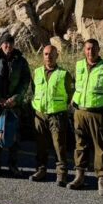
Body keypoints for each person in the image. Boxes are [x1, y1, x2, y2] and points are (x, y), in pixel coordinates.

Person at [69, 39, 103, 195]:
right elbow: (77, 86)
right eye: (87, 49)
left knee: (101, 147)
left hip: (98, 113)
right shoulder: (79, 65)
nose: (90, 52)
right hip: (80, 112)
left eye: (93, 49)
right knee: (80, 144)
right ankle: (80, 176)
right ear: (84, 50)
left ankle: (102, 178)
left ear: (99, 49)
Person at [0, 33, 31, 176]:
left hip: (14, 105)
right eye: (5, 43)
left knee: (14, 135)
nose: (8, 46)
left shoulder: (21, 61)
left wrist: (15, 98)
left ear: (14, 44)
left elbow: (25, 81)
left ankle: (13, 164)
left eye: (10, 43)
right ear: (1, 44)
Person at [30, 45, 73, 186]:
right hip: (40, 113)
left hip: (57, 114)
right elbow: (34, 90)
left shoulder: (63, 74)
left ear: (57, 56)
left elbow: (69, 94)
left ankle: (61, 174)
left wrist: (61, 107)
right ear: (43, 55)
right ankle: (41, 170)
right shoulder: (36, 72)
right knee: (40, 144)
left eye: (51, 54)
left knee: (59, 145)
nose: (48, 57)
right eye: (46, 54)